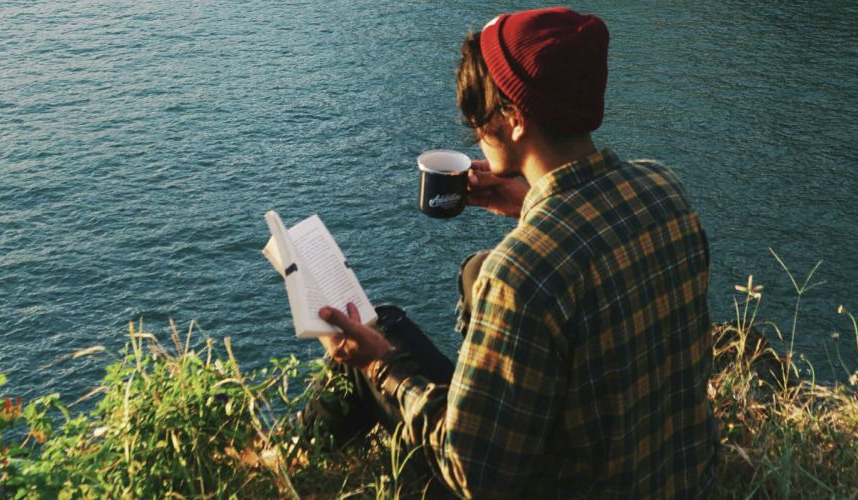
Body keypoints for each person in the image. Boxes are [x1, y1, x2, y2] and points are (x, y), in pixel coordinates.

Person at [301, 7, 717, 498]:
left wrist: (380, 367)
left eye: (477, 114)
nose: (474, 128)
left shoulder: (521, 273)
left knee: (377, 338)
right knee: (435, 296)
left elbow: (471, 474)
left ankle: (289, 464)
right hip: (680, 481)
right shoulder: (664, 188)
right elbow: (594, 248)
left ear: (515, 119)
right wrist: (530, 205)